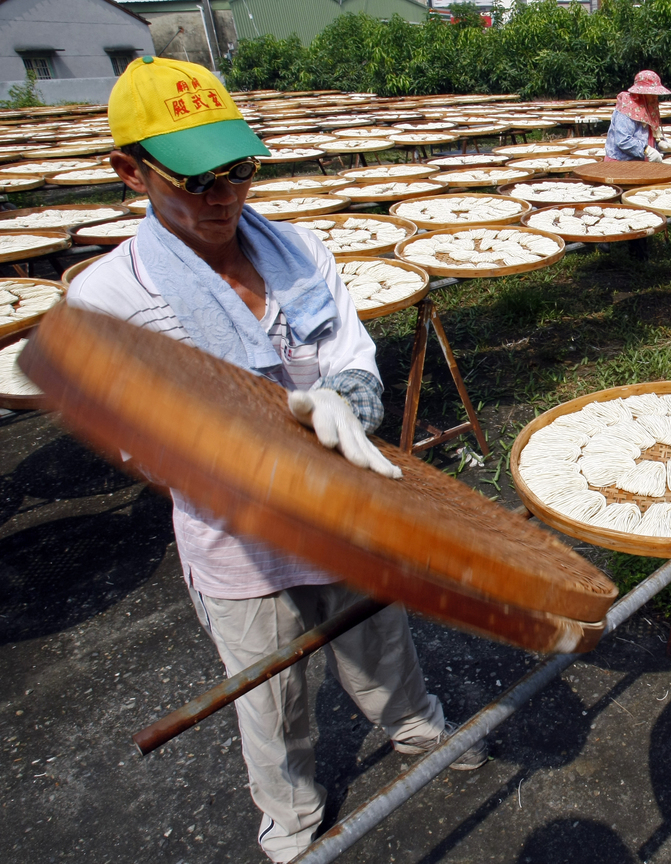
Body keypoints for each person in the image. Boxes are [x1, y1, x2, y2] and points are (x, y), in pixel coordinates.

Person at [67, 56, 486, 863]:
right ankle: (289, 809)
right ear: (130, 172)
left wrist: (353, 399)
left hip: (346, 506)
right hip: (243, 540)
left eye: (240, 171)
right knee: (271, 691)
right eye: (196, 180)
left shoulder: (295, 250)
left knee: (379, 640)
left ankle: (414, 728)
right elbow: (138, 441)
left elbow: (348, 346)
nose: (224, 196)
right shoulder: (114, 299)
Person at [605, 70, 671, 163]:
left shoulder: (649, 108)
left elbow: (647, 134)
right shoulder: (626, 108)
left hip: (640, 163)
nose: (655, 97)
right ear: (641, 94)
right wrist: (646, 149)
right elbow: (623, 140)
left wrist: (659, 143)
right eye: (652, 94)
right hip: (621, 163)